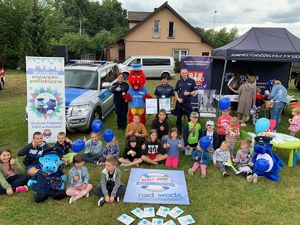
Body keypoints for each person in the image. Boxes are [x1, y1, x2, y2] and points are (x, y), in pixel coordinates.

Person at [174, 68, 197, 134]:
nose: (184, 74)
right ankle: (179, 132)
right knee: (178, 118)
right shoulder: (179, 81)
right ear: (181, 74)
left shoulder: (192, 81)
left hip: (187, 103)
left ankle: (190, 131)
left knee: (190, 118)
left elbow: (194, 92)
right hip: (179, 103)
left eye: (185, 73)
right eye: (182, 73)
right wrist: (178, 99)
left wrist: (189, 93)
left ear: (187, 73)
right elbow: (175, 91)